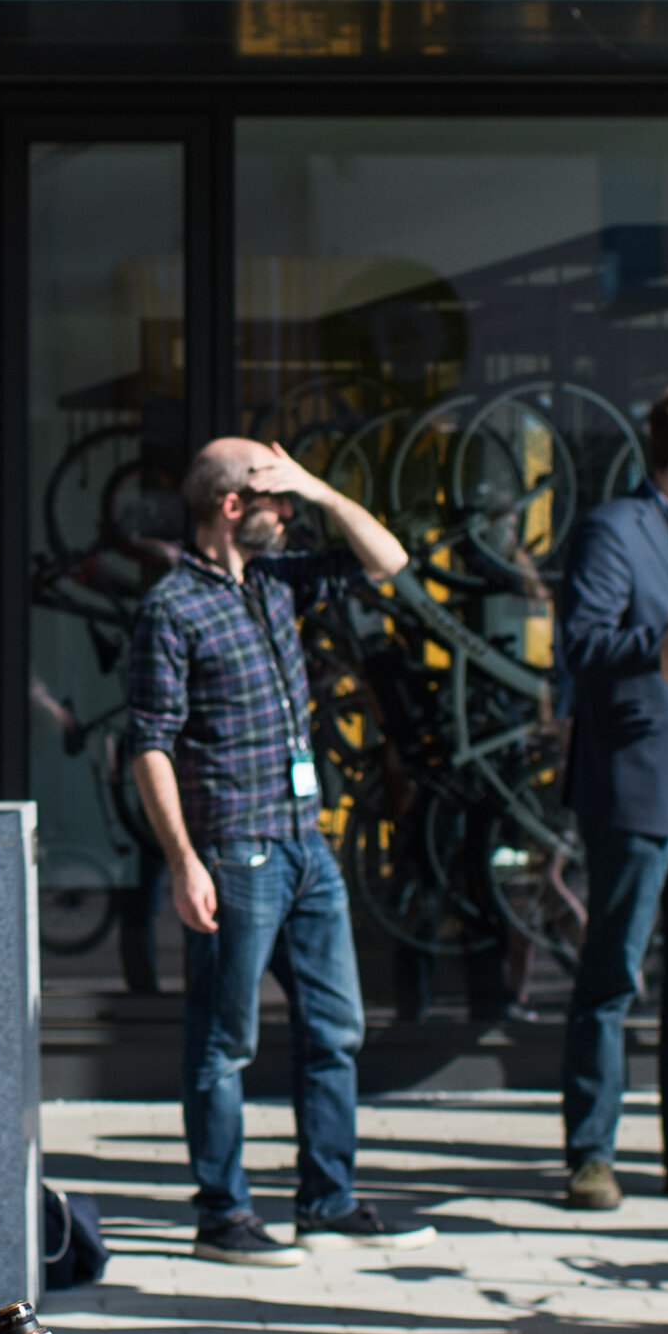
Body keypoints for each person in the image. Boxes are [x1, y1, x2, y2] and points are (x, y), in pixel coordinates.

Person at [122, 438, 425, 1263]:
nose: (287, 512)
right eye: (274, 497)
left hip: (305, 842)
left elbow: (389, 562)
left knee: (336, 1027)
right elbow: (149, 743)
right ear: (230, 505)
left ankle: (328, 1200)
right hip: (235, 850)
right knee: (225, 1039)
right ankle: (223, 1215)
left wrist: (318, 487)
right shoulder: (172, 608)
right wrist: (184, 859)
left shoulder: (277, 579)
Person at [551, 388, 668, 1211]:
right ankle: (592, 1154)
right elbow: (581, 643)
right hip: (635, 781)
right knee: (613, 973)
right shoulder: (617, 529)